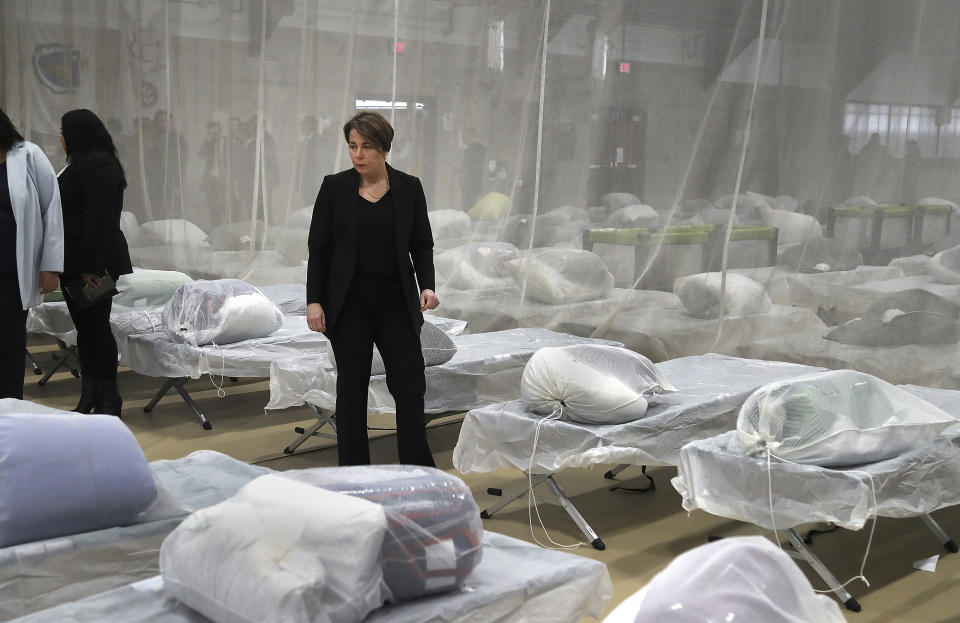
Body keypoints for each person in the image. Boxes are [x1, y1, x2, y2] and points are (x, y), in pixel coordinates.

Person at [306, 111, 439, 467]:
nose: (358, 154)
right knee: (351, 388)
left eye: (366, 147)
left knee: (409, 385)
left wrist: (427, 285)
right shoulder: (334, 187)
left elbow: (421, 243)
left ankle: (418, 466)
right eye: (352, 146)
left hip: (396, 300)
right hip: (349, 304)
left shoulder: (409, 188)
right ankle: (353, 470)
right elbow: (319, 248)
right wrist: (314, 301)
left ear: (384, 149)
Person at [58, 109, 133, 416]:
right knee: (86, 330)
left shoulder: (98, 165)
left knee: (96, 328)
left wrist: (91, 268)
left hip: (93, 266)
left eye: (63, 131)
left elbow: (99, 221)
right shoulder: (81, 164)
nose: (60, 138)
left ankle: (109, 397)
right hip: (76, 263)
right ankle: (91, 392)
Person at [0, 109, 63, 399]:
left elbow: (52, 210)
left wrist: (50, 265)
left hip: (14, 269)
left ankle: (9, 405)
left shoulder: (28, 155)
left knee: (10, 341)